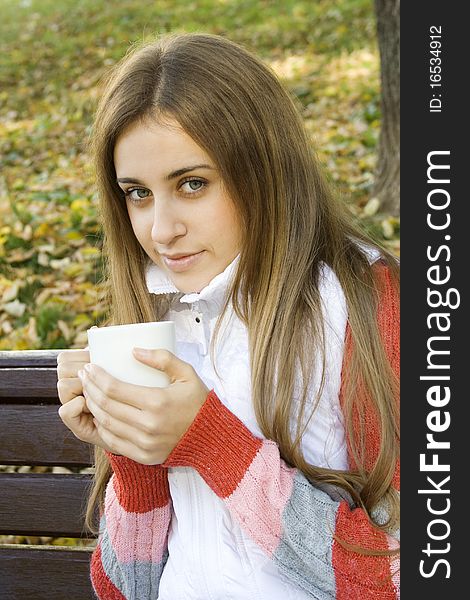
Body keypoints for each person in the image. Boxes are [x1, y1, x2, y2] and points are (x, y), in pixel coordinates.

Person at [57, 32, 400, 599]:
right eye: (137, 193)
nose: (161, 230)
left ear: (262, 168)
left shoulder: (366, 302)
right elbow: (125, 591)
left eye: (192, 184)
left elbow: (400, 575)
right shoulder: (159, 309)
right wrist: (134, 451)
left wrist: (213, 443)